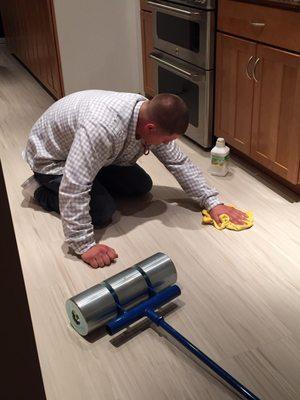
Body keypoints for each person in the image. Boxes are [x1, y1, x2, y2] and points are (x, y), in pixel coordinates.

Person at [24, 90, 247, 268]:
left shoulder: (146, 113)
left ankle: (94, 174)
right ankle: (38, 188)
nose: (168, 144)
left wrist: (212, 202)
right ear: (150, 127)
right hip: (52, 160)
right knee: (102, 211)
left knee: (141, 186)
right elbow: (75, 184)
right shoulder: (102, 129)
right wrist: (83, 245)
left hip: (90, 153)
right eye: (167, 139)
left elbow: (179, 163)